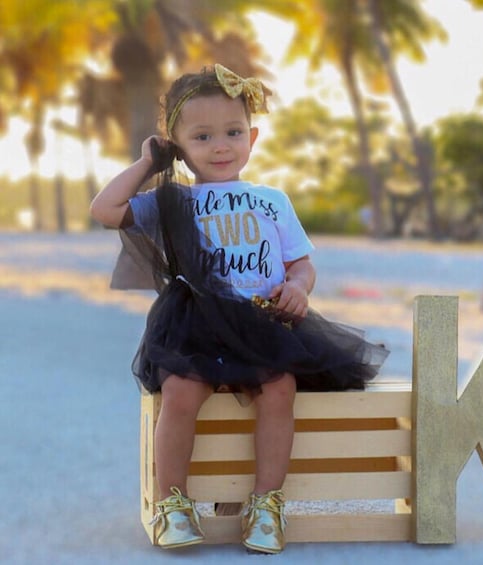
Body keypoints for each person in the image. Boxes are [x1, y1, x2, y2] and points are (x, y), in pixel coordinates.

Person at [90, 64, 388, 555]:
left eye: (232, 133)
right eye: (202, 136)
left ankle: (267, 503)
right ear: (179, 147)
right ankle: (173, 503)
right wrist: (147, 163)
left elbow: (301, 263)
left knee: (279, 388)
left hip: (263, 322)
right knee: (181, 390)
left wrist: (298, 287)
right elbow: (105, 210)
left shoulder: (271, 201)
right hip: (196, 325)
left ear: (252, 137)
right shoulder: (173, 201)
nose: (221, 146)